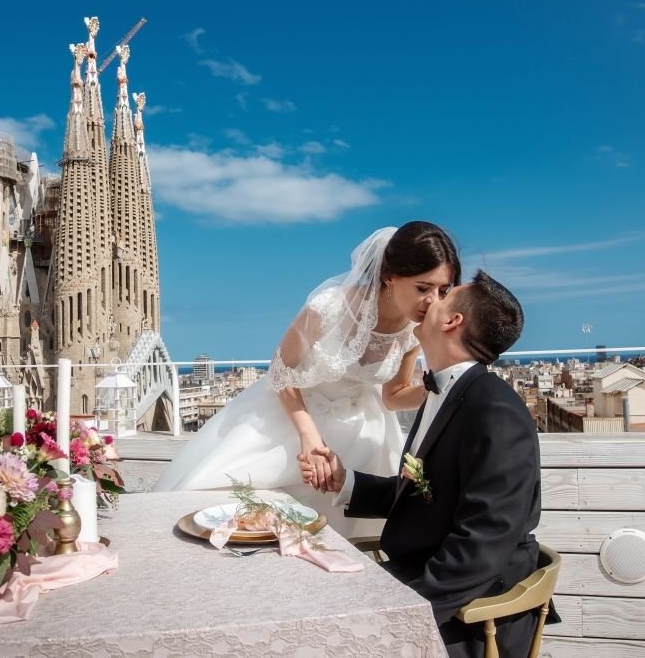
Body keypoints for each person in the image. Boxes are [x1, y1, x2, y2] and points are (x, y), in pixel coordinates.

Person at [300, 270, 552, 658]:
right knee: (306, 600)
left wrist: (398, 609)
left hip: (473, 612)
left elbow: (483, 543)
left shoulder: (495, 411)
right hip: (425, 577)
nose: (430, 300)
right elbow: (427, 494)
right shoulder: (444, 394)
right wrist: (345, 482)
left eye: (444, 296)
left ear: (453, 321)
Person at [153, 222, 461, 538]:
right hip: (294, 414)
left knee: (345, 525)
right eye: (423, 288)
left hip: (364, 426)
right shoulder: (330, 306)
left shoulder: (414, 331)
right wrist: (310, 437)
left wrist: (435, 389)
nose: (434, 301)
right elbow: (280, 371)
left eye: (443, 290)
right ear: (390, 277)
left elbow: (393, 395)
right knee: (236, 501)